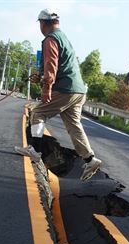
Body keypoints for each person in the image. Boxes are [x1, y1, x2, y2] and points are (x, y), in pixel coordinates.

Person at [15, 8, 102, 181]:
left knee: (38, 113)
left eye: (40, 23)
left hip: (65, 89)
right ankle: (90, 159)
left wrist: (46, 87)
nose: (40, 26)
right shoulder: (64, 37)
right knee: (73, 126)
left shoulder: (50, 39)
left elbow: (51, 65)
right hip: (78, 90)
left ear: (44, 23)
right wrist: (42, 77)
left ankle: (35, 150)